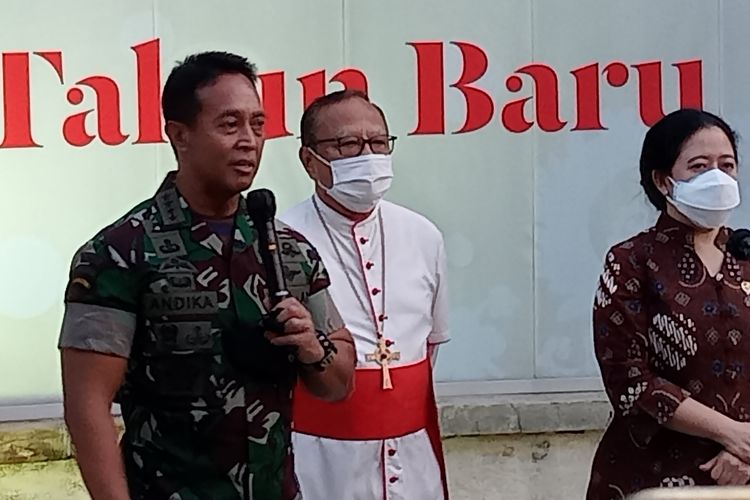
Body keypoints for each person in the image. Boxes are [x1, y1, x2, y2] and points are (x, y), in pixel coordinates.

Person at [58, 51, 356, 500]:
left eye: (258, 124)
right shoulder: (119, 253)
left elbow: (339, 383)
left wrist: (312, 346)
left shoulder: (288, 251)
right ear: (179, 135)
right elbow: (87, 406)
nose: (249, 141)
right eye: (230, 124)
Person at [280, 89, 450, 500]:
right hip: (319, 459)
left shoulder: (423, 235)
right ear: (309, 160)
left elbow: (429, 347)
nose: (368, 155)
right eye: (348, 144)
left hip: (411, 460)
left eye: (378, 142)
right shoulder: (281, 240)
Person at [587, 108, 750, 499]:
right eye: (698, 166)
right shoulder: (631, 261)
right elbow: (630, 381)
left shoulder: (745, 254)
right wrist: (734, 435)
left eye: (726, 165)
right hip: (654, 476)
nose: (717, 177)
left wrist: (745, 453)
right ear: (663, 181)